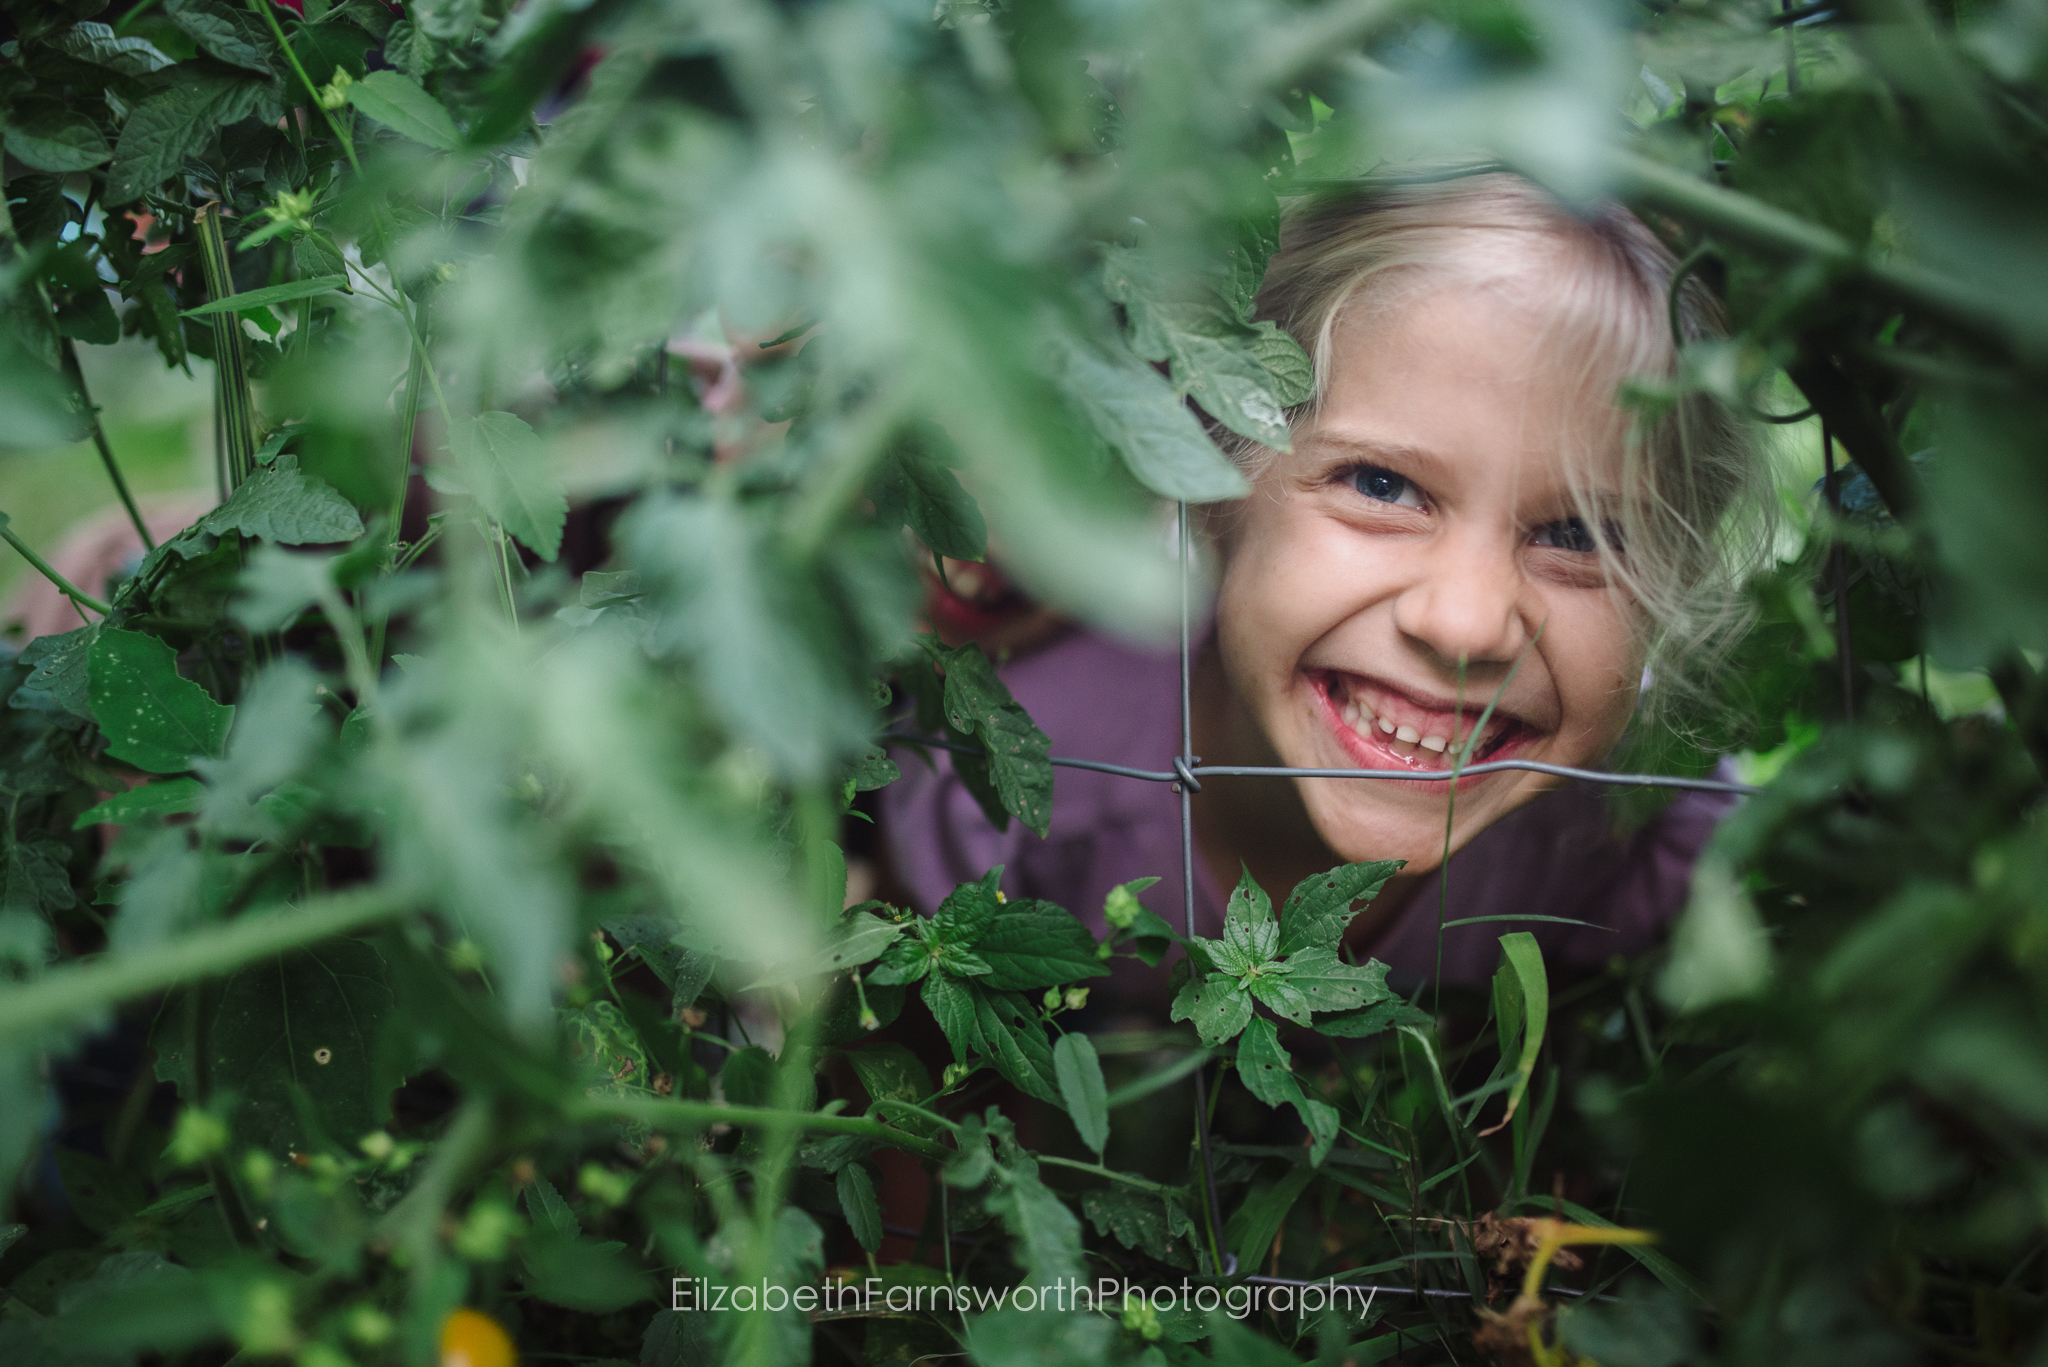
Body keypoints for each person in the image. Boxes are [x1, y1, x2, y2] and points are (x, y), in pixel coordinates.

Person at [878, 172, 1775, 994]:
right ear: (1215, 481)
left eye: (1580, 533)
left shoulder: (1633, 837)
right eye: (1382, 485)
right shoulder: (1015, 782)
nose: (1464, 624)